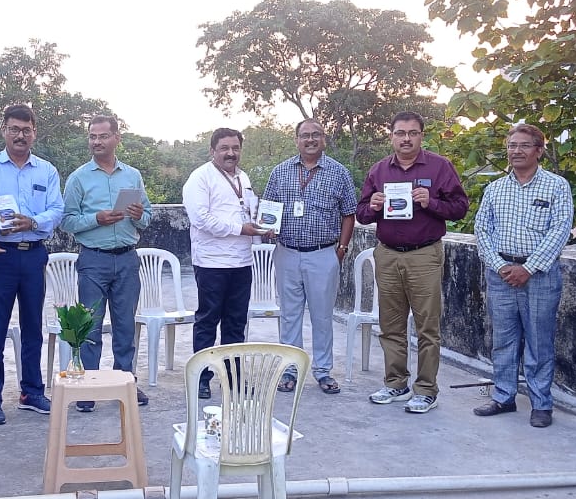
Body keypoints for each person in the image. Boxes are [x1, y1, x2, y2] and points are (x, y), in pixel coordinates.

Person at [357, 111, 469, 414]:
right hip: (388, 253)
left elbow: (460, 208)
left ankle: (426, 390)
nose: (406, 138)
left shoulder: (439, 167)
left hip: (424, 253)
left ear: (422, 135)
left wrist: (429, 202)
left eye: (413, 133)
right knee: (390, 325)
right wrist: (374, 205)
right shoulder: (379, 170)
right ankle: (395, 383)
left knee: (426, 326)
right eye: (400, 133)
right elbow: (362, 214)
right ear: (391, 135)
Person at [472, 124, 573, 428]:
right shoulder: (495, 189)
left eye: (524, 145)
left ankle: (541, 404)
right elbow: (482, 230)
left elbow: (560, 230)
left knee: (539, 342)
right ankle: (504, 397)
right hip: (501, 275)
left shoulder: (556, 186)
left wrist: (528, 268)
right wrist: (499, 265)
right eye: (512, 145)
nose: (516, 151)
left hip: (539, 276)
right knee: (503, 340)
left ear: (539, 150)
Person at [0, 104, 62, 424]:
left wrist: (32, 222)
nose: (20, 135)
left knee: (33, 325)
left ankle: (32, 392)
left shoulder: (46, 171)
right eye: (14, 129)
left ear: (35, 132)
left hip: (34, 253)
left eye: (26, 129)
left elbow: (56, 211)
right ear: (3, 130)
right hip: (0, 257)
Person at [60, 115, 153, 412]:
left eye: (102, 136)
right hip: (93, 259)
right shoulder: (78, 178)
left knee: (126, 326)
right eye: (92, 136)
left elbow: (148, 217)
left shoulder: (132, 176)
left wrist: (139, 215)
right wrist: (96, 218)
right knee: (89, 326)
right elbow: (66, 221)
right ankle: (88, 386)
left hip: (127, 258)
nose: (96, 142)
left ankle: (125, 381)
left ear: (117, 138)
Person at [262, 118, 358, 395]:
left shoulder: (338, 173)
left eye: (316, 135)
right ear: (296, 140)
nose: (311, 140)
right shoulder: (280, 172)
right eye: (305, 135)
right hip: (287, 252)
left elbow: (348, 213)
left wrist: (341, 249)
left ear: (324, 139)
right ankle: (289, 370)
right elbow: (269, 209)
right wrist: (267, 228)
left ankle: (324, 371)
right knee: (290, 315)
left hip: (323, 253)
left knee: (322, 316)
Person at [182, 128, 262, 399]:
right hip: (211, 262)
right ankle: (202, 377)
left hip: (241, 261)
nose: (231, 153)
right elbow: (201, 219)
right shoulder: (200, 178)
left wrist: (263, 225)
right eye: (225, 148)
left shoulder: (243, 176)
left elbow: (249, 209)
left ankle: (233, 377)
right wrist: (241, 229)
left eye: (235, 148)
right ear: (212, 151)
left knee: (236, 322)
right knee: (207, 319)